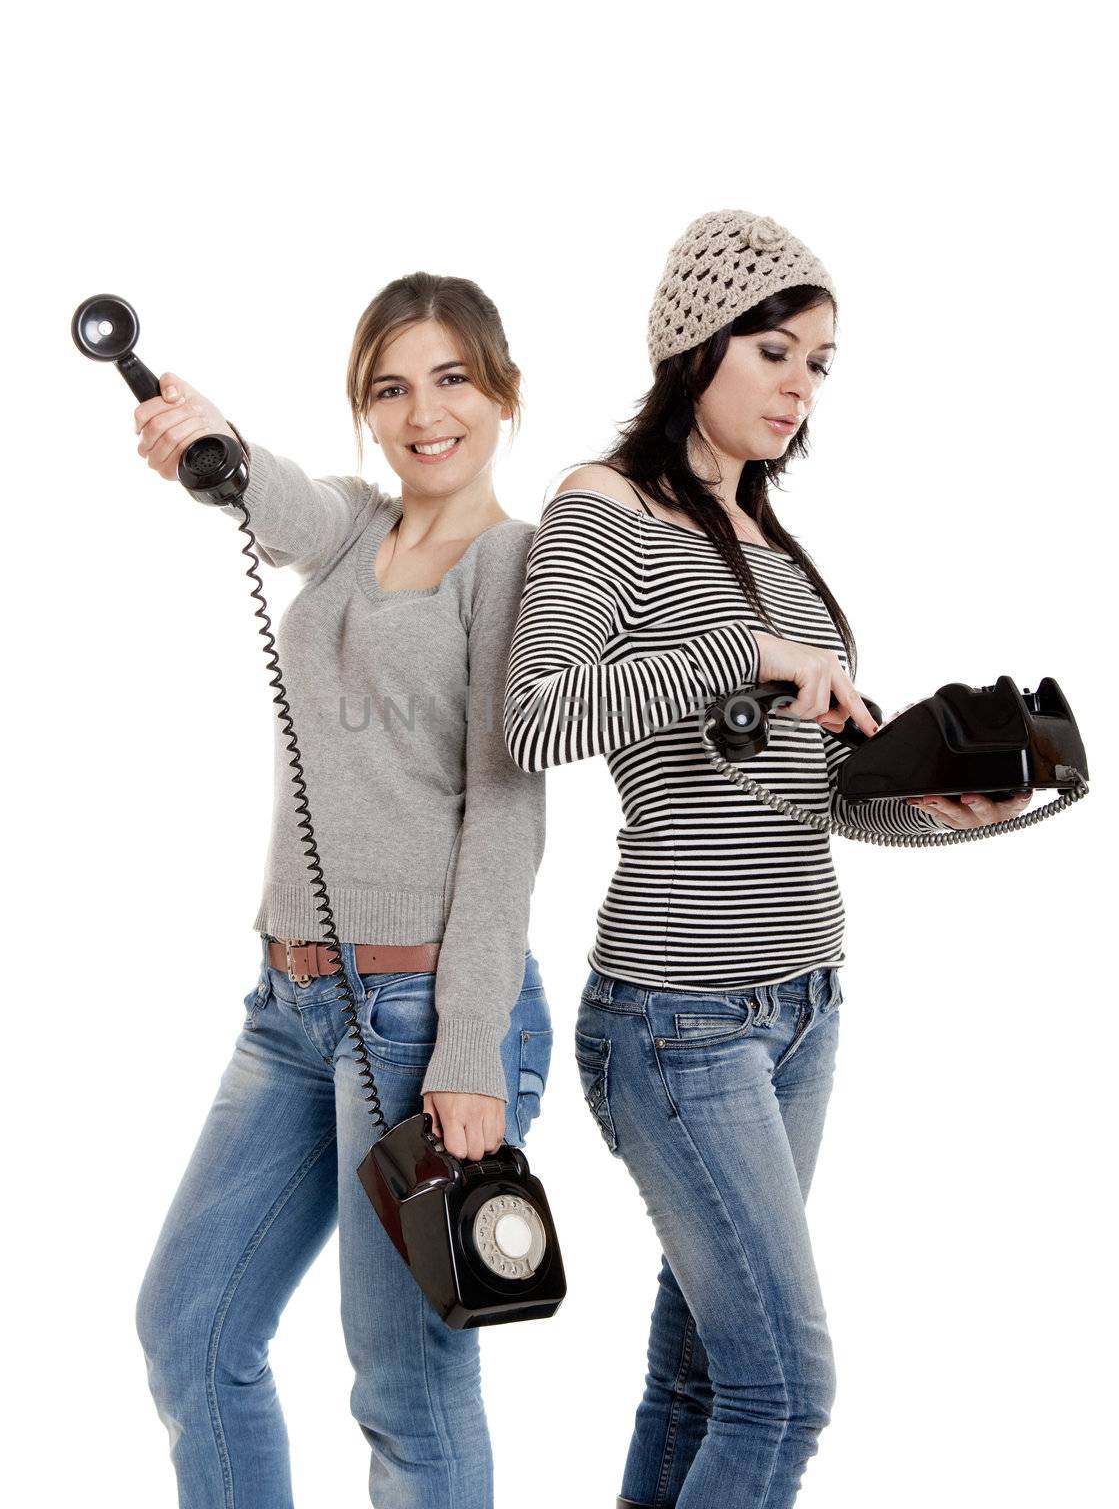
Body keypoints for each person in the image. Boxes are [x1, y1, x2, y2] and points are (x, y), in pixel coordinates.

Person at [502, 211, 1032, 1508]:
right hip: (677, 1021)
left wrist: (931, 808)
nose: (799, 386)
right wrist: (736, 658)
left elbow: (809, 796)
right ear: (694, 347)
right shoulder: (603, 508)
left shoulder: (769, 545)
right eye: (775, 351)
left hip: (799, 1005)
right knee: (783, 1391)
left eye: (819, 364)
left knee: (699, 1381)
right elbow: (534, 715)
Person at [132, 272, 552, 1509]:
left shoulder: (519, 570)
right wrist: (209, 438)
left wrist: (470, 1047)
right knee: (189, 1326)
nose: (424, 412)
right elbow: (283, 502)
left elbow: (510, 817)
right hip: (292, 1001)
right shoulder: (362, 525)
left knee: (406, 1391)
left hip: (430, 1019)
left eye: (452, 379)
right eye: (390, 387)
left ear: (503, 392)